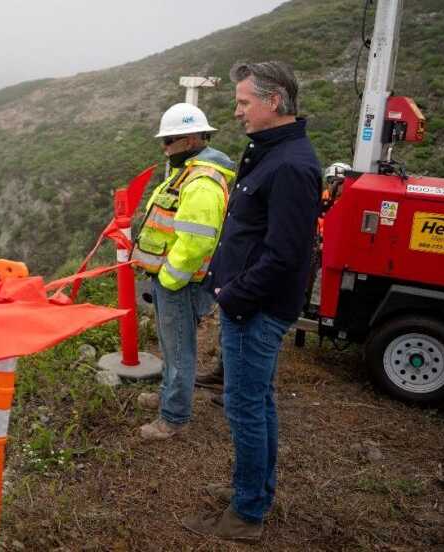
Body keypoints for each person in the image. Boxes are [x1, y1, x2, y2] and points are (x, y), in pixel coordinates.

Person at [182, 62, 321, 541]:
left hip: (256, 308)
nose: (237, 111)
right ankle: (253, 495)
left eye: (244, 102)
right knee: (256, 403)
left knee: (244, 407)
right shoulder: (272, 153)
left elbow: (285, 255)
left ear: (274, 101)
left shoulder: (292, 166)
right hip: (251, 302)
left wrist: (232, 295)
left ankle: (245, 514)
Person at [130, 103, 235, 441]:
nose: (164, 148)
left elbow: (196, 242)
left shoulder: (202, 181)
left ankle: (173, 417)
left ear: (190, 139)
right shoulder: (188, 172)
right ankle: (167, 396)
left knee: (179, 352)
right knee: (171, 346)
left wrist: (170, 278)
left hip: (180, 282)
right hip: (171, 279)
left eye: (169, 141)